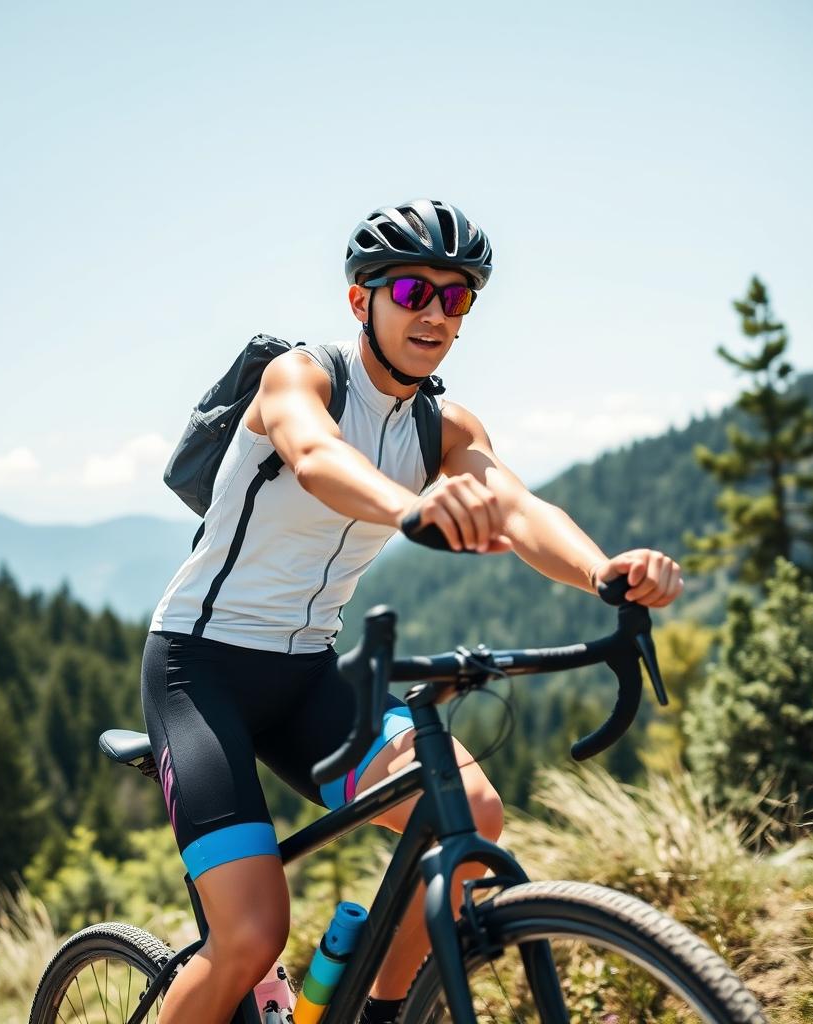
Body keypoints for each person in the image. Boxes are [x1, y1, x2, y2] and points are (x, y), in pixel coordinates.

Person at [141, 198, 683, 1024]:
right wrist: (408, 508)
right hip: (198, 670)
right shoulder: (302, 376)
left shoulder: (443, 423)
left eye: (456, 296)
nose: (433, 311)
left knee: (472, 817)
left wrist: (604, 570)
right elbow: (317, 457)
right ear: (362, 301)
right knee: (249, 935)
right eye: (410, 291)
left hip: (309, 676)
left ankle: (381, 1016)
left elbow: (521, 512)